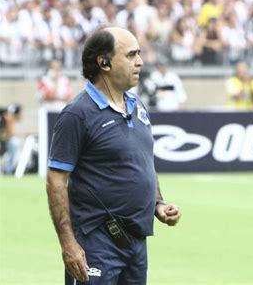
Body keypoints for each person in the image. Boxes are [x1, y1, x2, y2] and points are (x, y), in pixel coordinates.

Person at [46, 26, 181, 284]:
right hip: (95, 243)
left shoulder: (137, 105)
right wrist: (68, 244)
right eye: (131, 55)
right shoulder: (77, 114)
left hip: (135, 242)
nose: (140, 62)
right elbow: (56, 180)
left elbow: (142, 162)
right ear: (104, 62)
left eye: (139, 54)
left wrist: (158, 205)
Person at [0, 104, 22, 174]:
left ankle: (9, 169)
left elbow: (9, 133)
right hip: (2, 141)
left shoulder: (7, 121)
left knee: (15, 143)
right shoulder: (3, 119)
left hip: (5, 141)